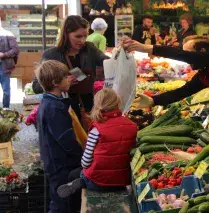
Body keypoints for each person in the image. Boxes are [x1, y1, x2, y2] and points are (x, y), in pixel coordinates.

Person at [57, 88, 137, 212]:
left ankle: (82, 182)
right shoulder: (132, 126)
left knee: (76, 173)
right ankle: (82, 181)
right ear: (118, 103)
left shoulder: (96, 129)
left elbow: (86, 161)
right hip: (122, 180)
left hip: (98, 182)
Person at [32, 15, 109, 120]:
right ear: (66, 34)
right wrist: (60, 82)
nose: (82, 40)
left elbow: (107, 62)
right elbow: (36, 86)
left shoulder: (90, 48)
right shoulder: (51, 55)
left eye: (85, 36)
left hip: (88, 107)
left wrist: (121, 53)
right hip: (62, 109)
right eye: (78, 36)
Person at [35, 60, 83, 213]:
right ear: (56, 82)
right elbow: (66, 140)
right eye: (65, 77)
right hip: (61, 165)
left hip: (54, 162)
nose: (69, 79)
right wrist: (82, 157)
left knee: (59, 202)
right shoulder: (55, 108)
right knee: (63, 205)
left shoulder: (48, 103)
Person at [0, 27, 19, 108]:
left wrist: (3, 55)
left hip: (3, 66)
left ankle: (5, 110)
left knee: (6, 90)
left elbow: (15, 50)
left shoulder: (7, 34)